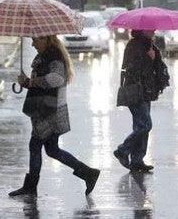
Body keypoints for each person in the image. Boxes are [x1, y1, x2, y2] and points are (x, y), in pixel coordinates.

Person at [9, 35, 100, 197]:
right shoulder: (44, 57)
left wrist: (32, 82)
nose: (33, 43)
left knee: (35, 145)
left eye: (36, 40)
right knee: (52, 149)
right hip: (45, 107)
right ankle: (88, 173)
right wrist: (27, 82)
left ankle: (30, 187)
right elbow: (42, 81)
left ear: (46, 39)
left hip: (49, 110)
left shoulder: (53, 57)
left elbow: (56, 79)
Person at [113, 29, 169, 172]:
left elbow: (157, 65)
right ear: (142, 30)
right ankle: (122, 150)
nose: (154, 30)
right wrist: (147, 57)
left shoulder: (150, 44)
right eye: (150, 29)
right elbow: (131, 68)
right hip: (135, 91)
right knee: (145, 125)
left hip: (146, 91)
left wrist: (154, 57)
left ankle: (137, 160)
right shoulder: (133, 45)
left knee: (140, 126)